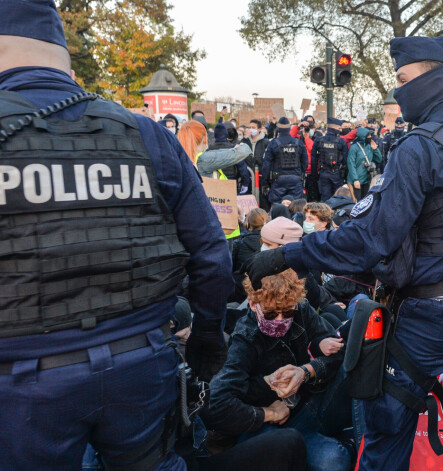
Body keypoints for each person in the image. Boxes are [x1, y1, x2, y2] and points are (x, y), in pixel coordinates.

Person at [246, 35, 443, 470]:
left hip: (429, 316)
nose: (397, 91)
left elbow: (369, 240)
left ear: (432, 77)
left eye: (403, 79)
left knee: (387, 430)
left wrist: (287, 256)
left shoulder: (419, 146)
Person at [0, 3, 233, 469]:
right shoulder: (144, 133)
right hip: (142, 361)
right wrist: (207, 333)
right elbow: (210, 253)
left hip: (25, 385)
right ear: (63, 54)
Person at [205, 269, 352, 471]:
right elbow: (218, 404)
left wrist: (306, 371)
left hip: (307, 407)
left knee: (335, 461)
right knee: (332, 461)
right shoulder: (245, 337)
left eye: (287, 311)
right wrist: (269, 411)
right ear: (253, 303)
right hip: (268, 426)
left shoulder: (302, 310)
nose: (279, 320)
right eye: (271, 313)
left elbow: (341, 353)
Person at [261, 117, 308, 205]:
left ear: (278, 129)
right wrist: (298, 173)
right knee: (296, 206)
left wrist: (265, 182)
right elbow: (305, 162)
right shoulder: (298, 143)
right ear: (289, 128)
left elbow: (266, 165)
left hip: (278, 180)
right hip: (295, 178)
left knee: (277, 206)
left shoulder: (273, 143)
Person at [206, 122, 252, 195]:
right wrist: (245, 183)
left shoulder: (209, 150)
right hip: (231, 182)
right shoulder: (234, 148)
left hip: (214, 183)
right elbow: (242, 168)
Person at [311, 117, 349, 202]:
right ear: (335, 128)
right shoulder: (341, 142)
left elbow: (314, 159)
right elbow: (345, 161)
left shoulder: (318, 140)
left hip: (323, 174)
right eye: (339, 128)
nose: (340, 130)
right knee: (338, 197)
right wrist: (345, 176)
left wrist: (315, 174)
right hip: (337, 174)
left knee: (325, 197)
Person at [347, 126, 382, 200]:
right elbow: (351, 164)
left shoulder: (370, 147)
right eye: (368, 136)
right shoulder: (354, 148)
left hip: (366, 180)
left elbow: (379, 159)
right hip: (356, 181)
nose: (370, 137)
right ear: (363, 137)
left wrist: (375, 149)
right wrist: (355, 180)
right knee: (356, 202)